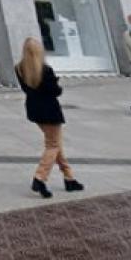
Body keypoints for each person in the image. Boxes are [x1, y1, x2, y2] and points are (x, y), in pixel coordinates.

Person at [16, 37, 82, 199]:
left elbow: (28, 89)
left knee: (55, 143)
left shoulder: (19, 68)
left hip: (34, 109)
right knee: (52, 145)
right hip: (50, 111)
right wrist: (56, 84)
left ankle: (69, 178)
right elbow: (55, 91)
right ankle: (40, 178)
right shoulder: (45, 70)